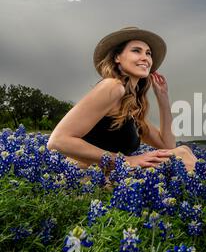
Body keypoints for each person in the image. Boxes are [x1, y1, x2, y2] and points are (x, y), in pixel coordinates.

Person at [47, 26, 197, 172]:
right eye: (136, 51)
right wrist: (127, 161)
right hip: (84, 175)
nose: (145, 58)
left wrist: (163, 98)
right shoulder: (112, 87)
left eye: (148, 53)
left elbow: (167, 145)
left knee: (183, 151)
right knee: (182, 156)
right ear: (117, 57)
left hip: (115, 173)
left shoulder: (131, 104)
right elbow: (58, 140)